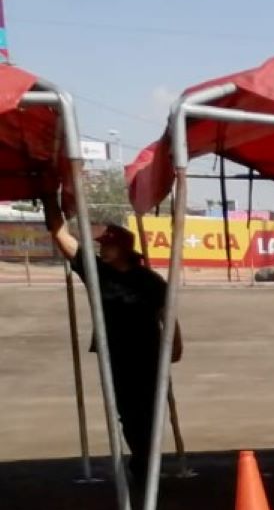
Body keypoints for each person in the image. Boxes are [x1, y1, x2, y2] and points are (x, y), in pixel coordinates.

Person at [43, 198, 180, 484]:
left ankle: (147, 461)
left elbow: (167, 314)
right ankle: (142, 461)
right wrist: (48, 199)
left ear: (124, 249)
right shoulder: (96, 272)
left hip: (149, 354)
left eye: (108, 244)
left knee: (151, 412)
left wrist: (176, 345)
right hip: (115, 355)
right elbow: (60, 235)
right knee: (128, 414)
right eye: (101, 244)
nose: (102, 249)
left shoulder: (149, 281)